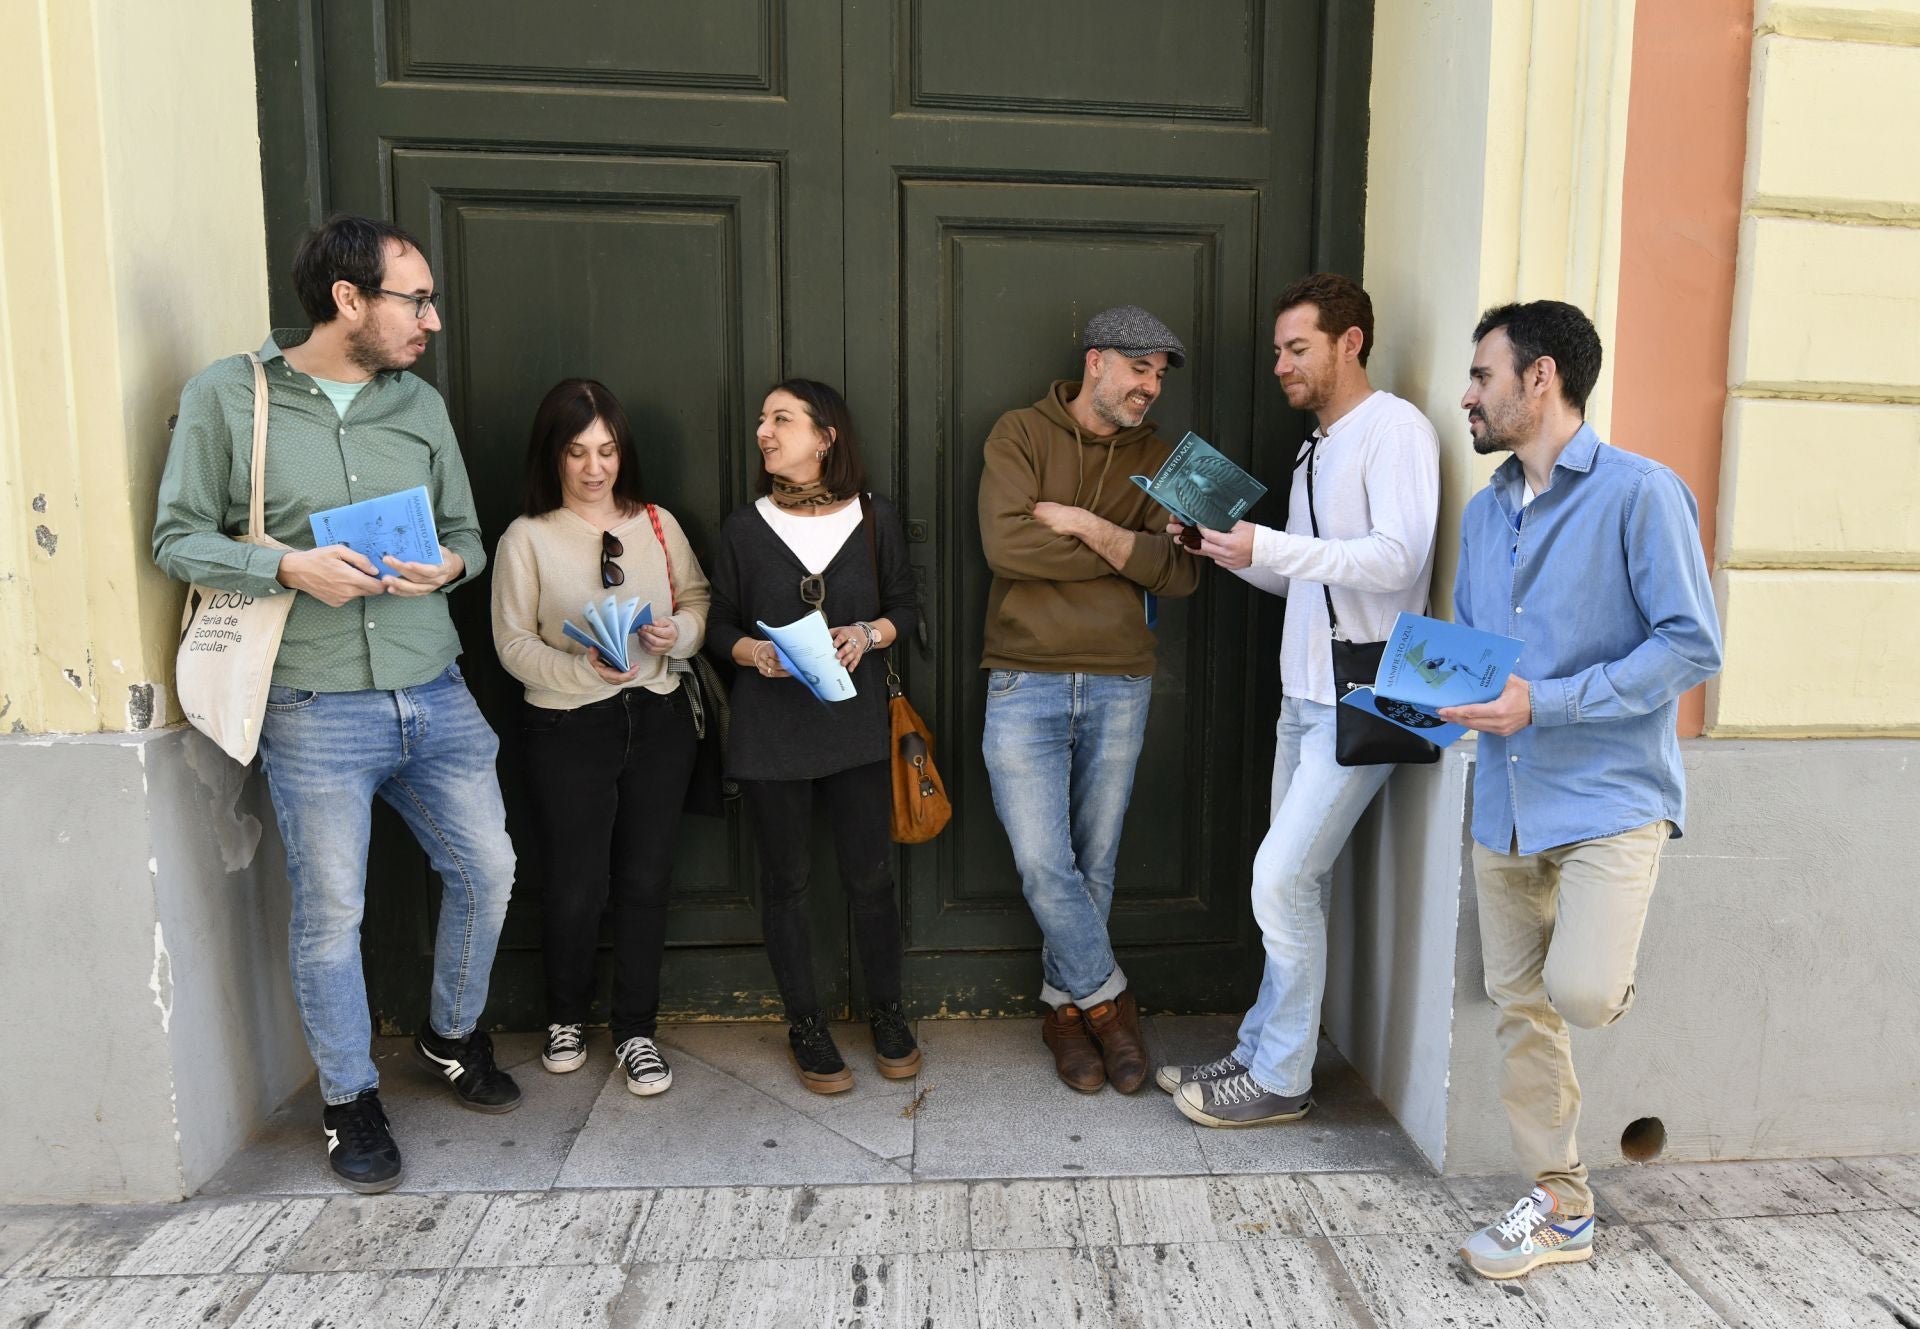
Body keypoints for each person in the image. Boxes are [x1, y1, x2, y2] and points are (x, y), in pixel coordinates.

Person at [153, 214, 518, 1194]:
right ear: (349, 300)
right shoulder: (231, 397)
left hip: (433, 687)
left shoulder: (420, 408)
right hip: (314, 707)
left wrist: (447, 565)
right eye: (417, 299)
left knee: (488, 868)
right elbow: (177, 539)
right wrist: (287, 567)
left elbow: (467, 536)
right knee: (331, 914)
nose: (432, 321)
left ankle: (449, 1036)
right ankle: (349, 1099)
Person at [1441, 301, 1722, 1279]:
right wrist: (1431, 699)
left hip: (1609, 798)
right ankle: (1559, 1207)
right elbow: (1483, 661)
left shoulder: (1643, 495)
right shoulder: (1484, 513)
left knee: (1582, 992)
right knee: (1521, 1010)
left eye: (1482, 376)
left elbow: (1693, 644)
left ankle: (1603, 965)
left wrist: (1545, 704)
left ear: (1541, 379)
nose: (1467, 395)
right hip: (1504, 803)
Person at [1160, 273, 1440, 1128]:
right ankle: (1261, 1048)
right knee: (1290, 885)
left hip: (1379, 693)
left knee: (1279, 880)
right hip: (1308, 692)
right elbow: (1308, 581)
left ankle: (1282, 1077)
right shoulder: (1316, 445)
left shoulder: (1395, 429)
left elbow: (1397, 558)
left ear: (1350, 342)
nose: (1280, 363)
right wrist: (1229, 552)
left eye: (1297, 348)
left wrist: (1269, 539)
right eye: (1278, 349)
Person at [977, 305, 1202, 1094]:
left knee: (1094, 862)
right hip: (1024, 675)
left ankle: (1063, 1013)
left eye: (1160, 375)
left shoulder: (1168, 457)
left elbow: (1180, 573)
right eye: (1140, 369)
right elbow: (1005, 544)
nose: (1151, 387)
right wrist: (1129, 549)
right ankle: (1110, 1001)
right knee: (1046, 862)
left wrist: (1080, 526)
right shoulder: (1019, 434)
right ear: (1098, 361)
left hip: (1119, 679)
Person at [490, 379, 710, 1098]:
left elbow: (698, 599)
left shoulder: (656, 522)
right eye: (578, 451)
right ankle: (565, 1016)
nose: (594, 467)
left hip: (657, 714)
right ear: (553, 454)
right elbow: (512, 643)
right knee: (575, 883)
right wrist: (579, 666)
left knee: (646, 879)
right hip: (564, 723)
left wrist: (679, 632)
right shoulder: (527, 536)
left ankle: (636, 1030)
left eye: (607, 450)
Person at [705, 379, 921, 1093]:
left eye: (782, 419)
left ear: (826, 436)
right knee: (786, 882)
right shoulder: (744, 526)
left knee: (872, 878)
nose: (764, 431)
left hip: (856, 726)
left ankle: (889, 1013)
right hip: (772, 732)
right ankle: (807, 1024)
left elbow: (905, 609)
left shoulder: (875, 517)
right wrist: (753, 654)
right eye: (763, 418)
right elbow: (719, 625)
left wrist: (867, 632)